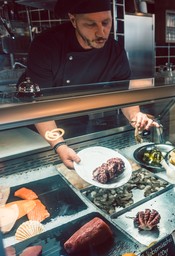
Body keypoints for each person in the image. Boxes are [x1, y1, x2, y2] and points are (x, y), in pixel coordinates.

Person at [20, 0, 157, 169]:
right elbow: (38, 105)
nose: (101, 32)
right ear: (73, 20)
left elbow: (123, 95)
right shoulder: (46, 46)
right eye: (91, 24)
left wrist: (136, 117)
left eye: (106, 23)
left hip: (78, 119)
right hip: (40, 128)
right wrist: (59, 145)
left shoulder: (115, 51)